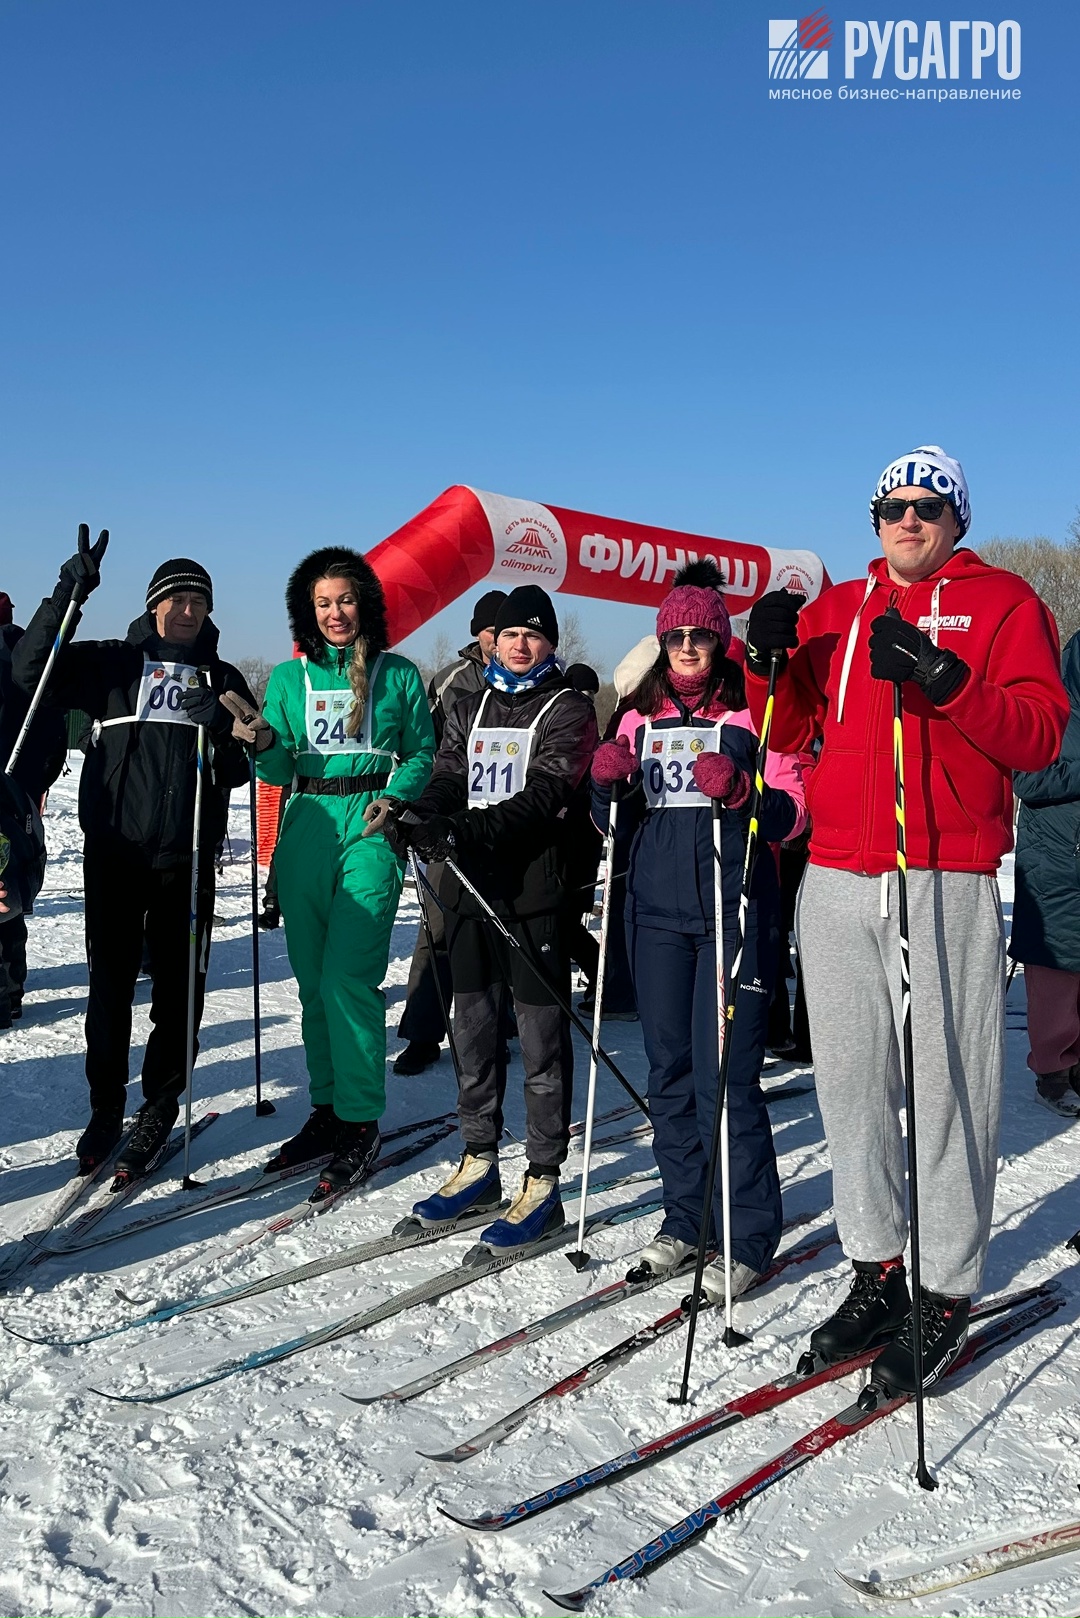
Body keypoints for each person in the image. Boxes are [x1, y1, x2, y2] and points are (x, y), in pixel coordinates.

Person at [744, 445, 1069, 1391]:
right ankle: (878, 1267)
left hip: (945, 869)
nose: (909, 519)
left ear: (958, 517)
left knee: (950, 1082)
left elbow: (1040, 734)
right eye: (893, 506)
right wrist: (767, 661)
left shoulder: (1007, 602)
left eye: (929, 506)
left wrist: (944, 675)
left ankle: (947, 1286)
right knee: (848, 1080)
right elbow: (795, 724)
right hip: (842, 868)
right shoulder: (844, 607)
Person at [591, 561, 806, 1301]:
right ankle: (686, 1219)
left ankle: (747, 1234)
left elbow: (795, 813)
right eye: (675, 635)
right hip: (655, 915)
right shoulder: (636, 715)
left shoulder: (756, 712)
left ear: (720, 642)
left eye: (701, 636)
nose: (687, 647)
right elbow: (612, 825)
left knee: (728, 1081)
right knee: (668, 1074)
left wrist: (745, 792)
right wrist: (606, 782)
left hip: (733, 914)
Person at [13, 538, 258, 1174]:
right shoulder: (113, 664)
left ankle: (160, 1103)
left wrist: (225, 731)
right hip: (117, 854)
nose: (186, 610)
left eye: (198, 601)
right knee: (111, 986)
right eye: (175, 599)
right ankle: (104, 1106)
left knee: (181, 990)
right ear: (152, 607)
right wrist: (69, 592)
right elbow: (27, 671)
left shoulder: (223, 679)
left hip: (187, 857)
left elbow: (240, 766)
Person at [390, 584, 599, 1249]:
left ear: (549, 645)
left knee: (540, 1042)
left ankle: (544, 1176)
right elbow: (452, 771)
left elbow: (546, 792)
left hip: (532, 895)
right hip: (468, 892)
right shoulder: (468, 701)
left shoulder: (567, 707)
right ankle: (478, 1159)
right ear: (495, 640)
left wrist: (466, 830)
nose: (521, 643)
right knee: (472, 1031)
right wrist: (422, 811)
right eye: (512, 633)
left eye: (534, 635)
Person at [256, 547, 435, 1195]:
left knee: (346, 980)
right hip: (306, 828)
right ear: (308, 610)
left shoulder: (398, 674)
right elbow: (276, 769)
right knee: (310, 985)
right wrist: (261, 743)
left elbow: (421, 751)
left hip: (368, 826)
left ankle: (361, 1120)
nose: (335, 613)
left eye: (346, 600)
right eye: (323, 603)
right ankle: (327, 1110)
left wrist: (399, 795)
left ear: (367, 604)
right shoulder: (287, 678)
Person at [393, 589, 506, 1077]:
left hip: (505, 825)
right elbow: (428, 753)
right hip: (451, 826)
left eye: (509, 630)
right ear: (479, 634)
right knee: (439, 929)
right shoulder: (453, 681)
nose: (500, 640)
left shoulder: (539, 678)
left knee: (502, 925)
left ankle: (493, 1032)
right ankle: (423, 1032)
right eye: (492, 630)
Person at [1010, 631, 1080, 1117]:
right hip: (1056, 865)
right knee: (1056, 982)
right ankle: (1053, 1072)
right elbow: (1028, 778)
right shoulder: (1054, 710)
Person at [0, 589, 67, 1028]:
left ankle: (8, 989)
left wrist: (33, 778)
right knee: (7, 891)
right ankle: (11, 987)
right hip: (16, 790)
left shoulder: (16, 653)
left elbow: (46, 717)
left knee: (5, 890)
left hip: (9, 789)